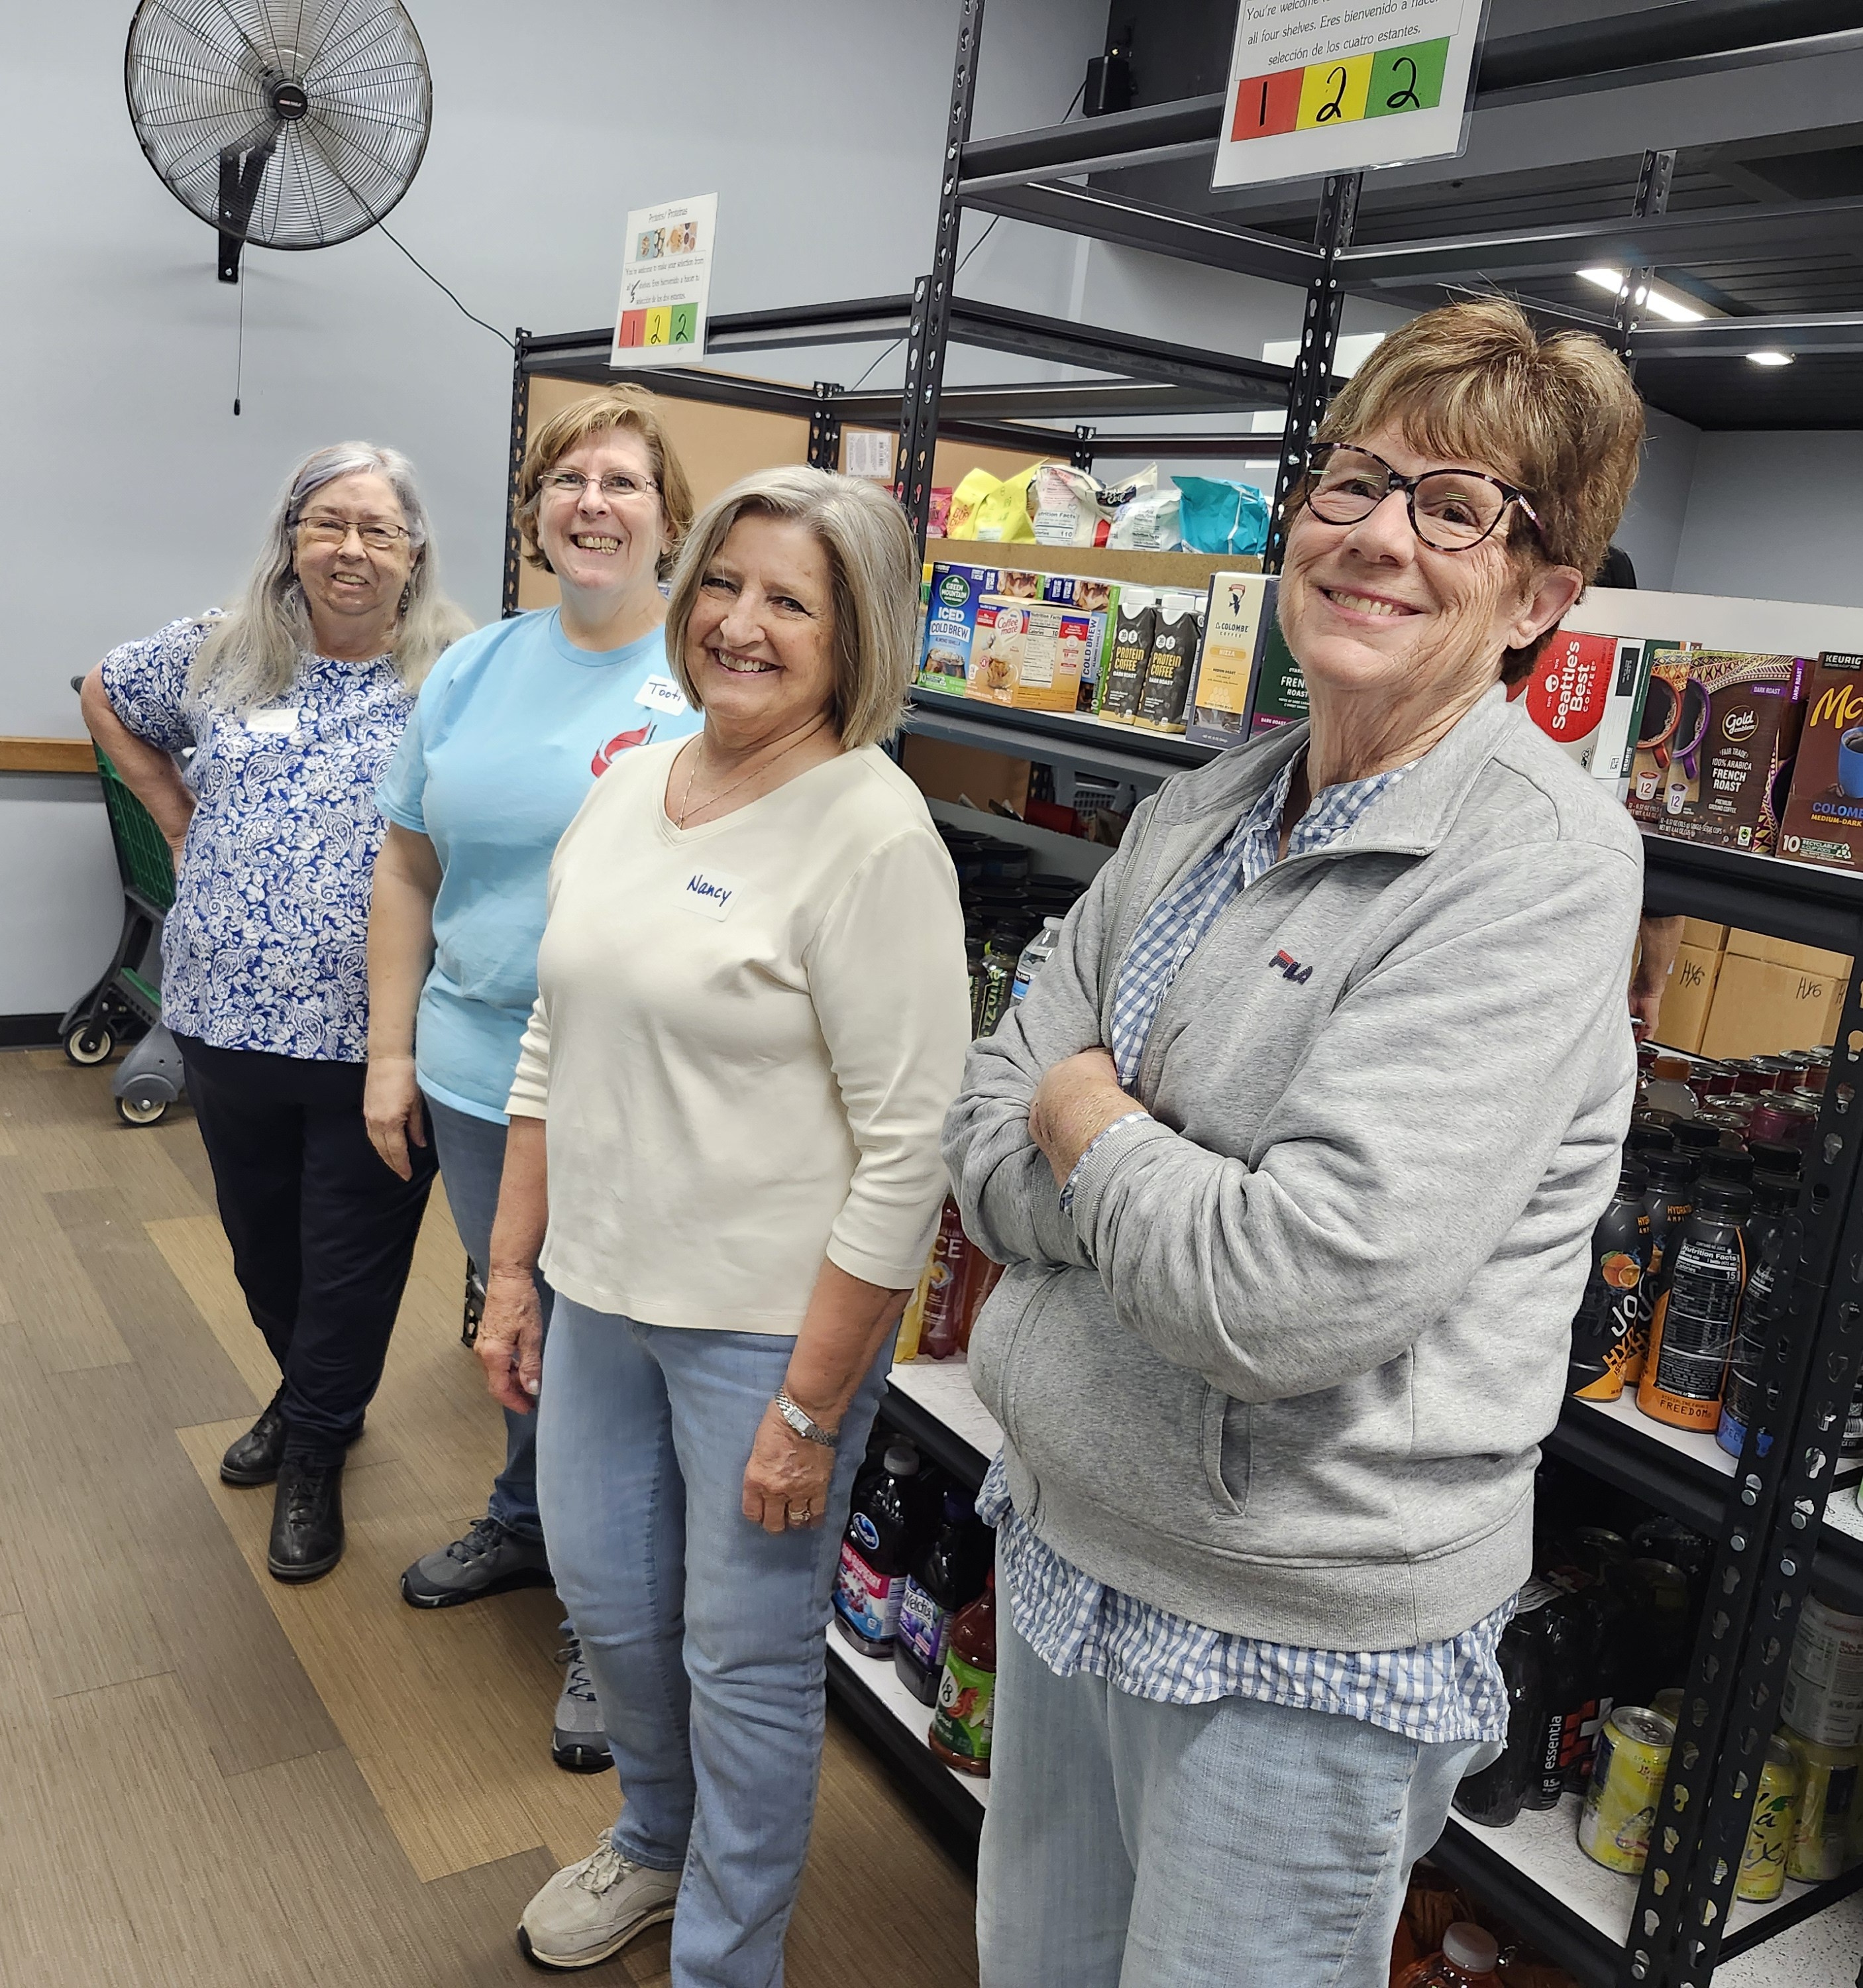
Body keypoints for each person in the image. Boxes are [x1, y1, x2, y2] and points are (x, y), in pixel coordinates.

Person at [942, 299, 1648, 1988]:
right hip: (1068, 1545)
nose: (1375, 535)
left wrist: (1091, 1111)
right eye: (1352, 480)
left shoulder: (1535, 864)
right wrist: (1116, 1160)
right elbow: (979, 1130)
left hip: (1297, 1635)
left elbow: (1288, 1294)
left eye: (1456, 508)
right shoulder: (1201, 806)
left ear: (1540, 599)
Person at [474, 466, 970, 1980]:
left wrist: (811, 1411)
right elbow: (554, 1041)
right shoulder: (635, 784)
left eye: (790, 602)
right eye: (723, 587)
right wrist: (509, 1276)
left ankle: (725, 1952)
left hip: (764, 1334)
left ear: (856, 634)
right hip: (598, 1292)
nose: (741, 626)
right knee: (614, 1617)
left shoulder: (874, 838)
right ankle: (652, 1842)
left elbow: (908, 1151)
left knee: (741, 1661)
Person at [366, 385, 701, 1771]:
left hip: (628, 1090)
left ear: (669, 522)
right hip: (468, 1061)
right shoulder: (473, 668)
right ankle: (525, 1521)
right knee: (518, 1332)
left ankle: (607, 1617)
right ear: (534, 516)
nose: (592, 505)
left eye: (623, 482)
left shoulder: (701, 678)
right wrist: (390, 1050)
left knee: (601, 1358)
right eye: (566, 482)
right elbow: (406, 862)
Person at [80, 442, 472, 1582]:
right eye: (328, 524)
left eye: (379, 530)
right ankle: (313, 1401)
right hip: (223, 1017)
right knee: (261, 1252)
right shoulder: (222, 651)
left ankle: (313, 1451)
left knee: (350, 1261)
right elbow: (106, 690)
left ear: (413, 556)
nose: (351, 550)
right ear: (293, 540)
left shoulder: (453, 673)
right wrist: (170, 811)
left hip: (379, 1039)